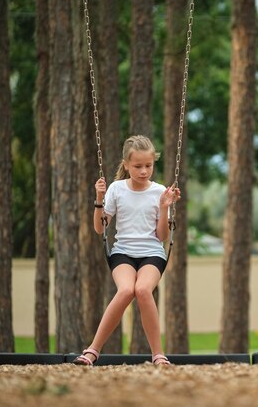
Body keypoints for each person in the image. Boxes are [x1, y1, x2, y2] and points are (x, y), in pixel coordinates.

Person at [73, 135, 181, 366]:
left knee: (142, 290)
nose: (144, 171)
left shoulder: (160, 191)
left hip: (152, 252)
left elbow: (162, 236)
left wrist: (164, 207)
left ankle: (158, 354)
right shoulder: (116, 189)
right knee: (125, 291)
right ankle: (92, 351)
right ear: (126, 165)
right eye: (138, 166)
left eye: (149, 166)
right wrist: (99, 198)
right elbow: (99, 227)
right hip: (123, 252)